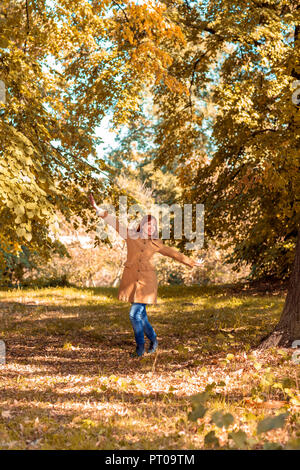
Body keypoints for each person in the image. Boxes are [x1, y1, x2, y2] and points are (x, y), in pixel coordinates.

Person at [88, 193, 204, 357]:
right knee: (141, 316)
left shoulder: (156, 243)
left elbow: (173, 253)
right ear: (141, 226)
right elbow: (115, 223)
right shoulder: (130, 236)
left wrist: (191, 262)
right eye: (148, 225)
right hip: (131, 281)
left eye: (153, 226)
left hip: (147, 283)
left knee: (134, 314)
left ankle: (140, 347)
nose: (151, 228)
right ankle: (154, 339)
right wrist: (98, 209)